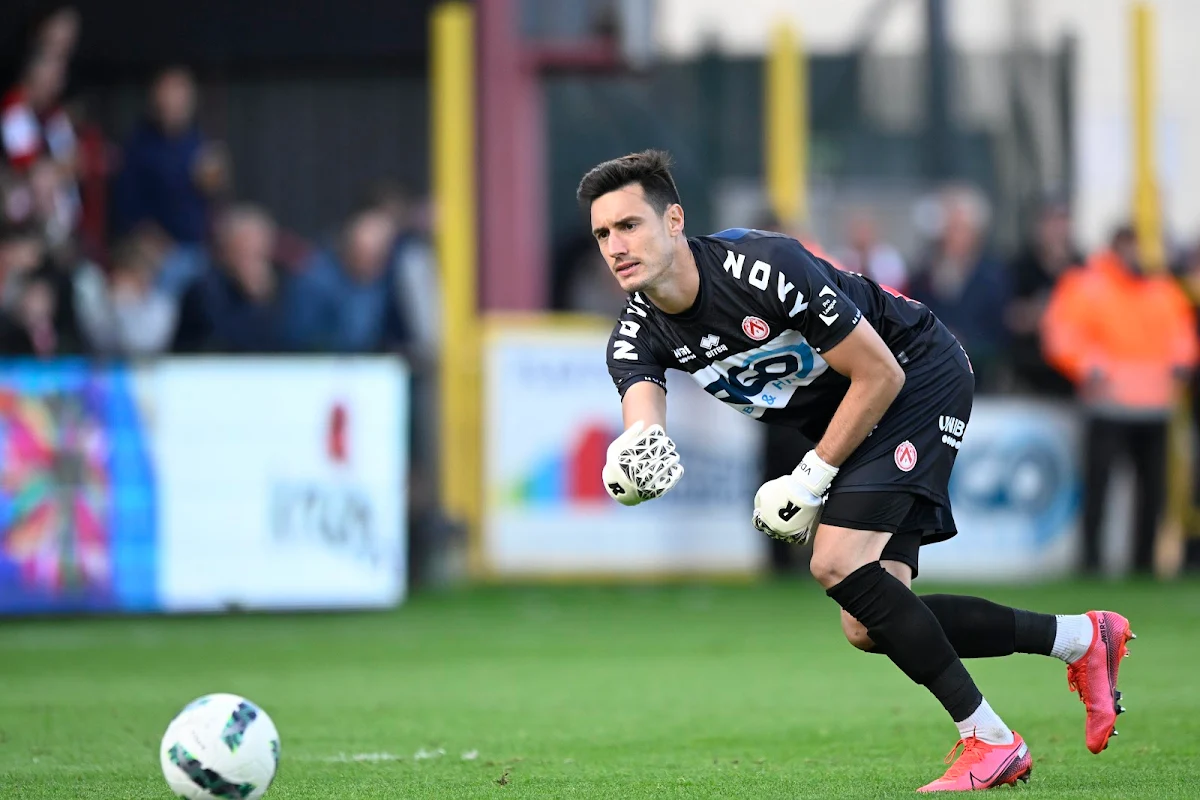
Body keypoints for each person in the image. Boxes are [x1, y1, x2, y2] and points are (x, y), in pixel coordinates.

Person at [579, 150, 1133, 792]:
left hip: (915, 374)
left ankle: (991, 740)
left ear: (674, 220)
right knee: (868, 623)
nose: (615, 245)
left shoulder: (762, 266)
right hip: (860, 412)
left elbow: (880, 373)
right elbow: (642, 407)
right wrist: (638, 446)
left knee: (834, 562)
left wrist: (810, 479)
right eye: (602, 234)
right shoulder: (636, 327)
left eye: (629, 225)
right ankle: (1082, 639)